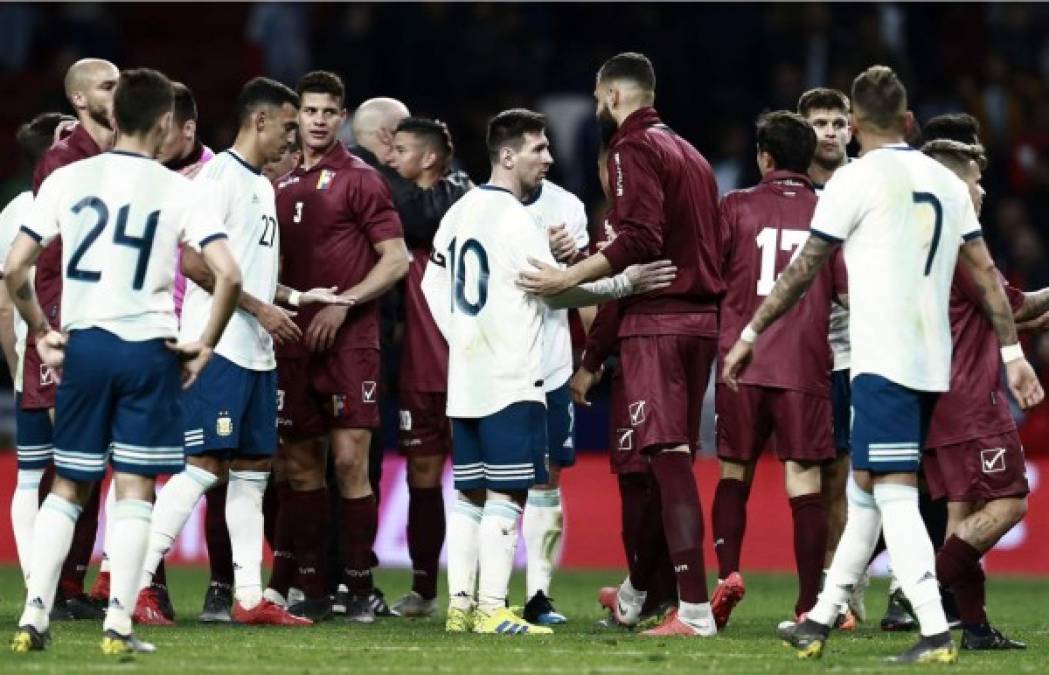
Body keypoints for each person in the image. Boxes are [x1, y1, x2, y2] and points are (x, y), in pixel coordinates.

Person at [724, 65, 1043, 664]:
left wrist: (751, 330)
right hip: (936, 364)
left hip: (882, 360)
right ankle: (819, 616)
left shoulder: (854, 181)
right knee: (868, 492)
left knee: (892, 494)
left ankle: (931, 626)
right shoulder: (943, 177)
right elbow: (986, 276)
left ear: (858, 123)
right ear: (904, 119)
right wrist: (1014, 354)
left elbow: (804, 269)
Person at [8, 67, 242, 655]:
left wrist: (40, 331)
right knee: (135, 486)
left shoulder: (69, 177)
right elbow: (230, 275)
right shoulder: (180, 189)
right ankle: (118, 624)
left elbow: (14, 268)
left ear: (114, 116)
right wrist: (205, 343)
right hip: (149, 350)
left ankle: (33, 615)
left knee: (68, 484)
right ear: (164, 122)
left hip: (84, 345)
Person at [423, 108, 672, 636]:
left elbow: (430, 286)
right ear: (508, 155)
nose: (550, 158)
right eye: (539, 149)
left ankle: (460, 606)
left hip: (467, 377)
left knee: (468, 493)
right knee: (509, 493)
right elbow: (558, 286)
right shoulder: (516, 218)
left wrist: (465, 339)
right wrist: (626, 283)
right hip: (514, 375)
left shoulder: (459, 211)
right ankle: (493, 609)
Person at [518, 52, 724, 637]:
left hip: (658, 325)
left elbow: (639, 238)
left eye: (596, 98)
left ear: (611, 96)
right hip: (697, 325)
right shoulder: (692, 154)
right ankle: (644, 592)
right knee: (663, 462)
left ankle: (692, 609)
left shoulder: (633, 149)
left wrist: (568, 278)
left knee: (666, 461)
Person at [134, 77, 343, 628]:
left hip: (257, 353)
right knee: (203, 467)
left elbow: (248, 268)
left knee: (253, 471)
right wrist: (261, 311)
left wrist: (295, 297)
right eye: (288, 126)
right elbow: (195, 264)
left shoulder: (262, 186)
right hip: (219, 342)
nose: (293, 138)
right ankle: (134, 583)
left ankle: (249, 597)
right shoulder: (219, 179)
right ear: (259, 121)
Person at [274, 70, 409, 623]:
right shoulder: (275, 184)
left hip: (352, 341)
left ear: (343, 117)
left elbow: (396, 259)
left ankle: (358, 586)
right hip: (291, 339)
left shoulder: (361, 179)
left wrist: (344, 303)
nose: (319, 121)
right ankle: (310, 587)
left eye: (330, 111)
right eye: (310, 111)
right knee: (301, 468)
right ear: (297, 116)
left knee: (350, 462)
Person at [709, 111, 844, 630]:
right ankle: (809, 602)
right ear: (807, 157)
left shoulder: (735, 206)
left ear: (763, 157)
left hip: (741, 363)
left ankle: (727, 574)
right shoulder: (830, 211)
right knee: (804, 480)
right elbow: (848, 291)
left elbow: (711, 276)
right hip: (805, 365)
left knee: (733, 471)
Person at [922, 138, 1043, 651]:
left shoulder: (923, 239)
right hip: (973, 400)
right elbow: (1013, 308)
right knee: (1011, 502)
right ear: (953, 185)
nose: (982, 188)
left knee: (961, 513)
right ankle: (925, 587)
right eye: (974, 178)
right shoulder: (961, 243)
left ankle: (971, 627)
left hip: (936, 402)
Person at [28, 57, 120, 623]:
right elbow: (47, 254)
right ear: (81, 101)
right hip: (67, 318)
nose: (120, 91)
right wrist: (49, 329)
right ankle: (50, 584)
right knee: (73, 459)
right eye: (109, 85)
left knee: (94, 458)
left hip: (106, 320)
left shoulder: (121, 158)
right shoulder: (63, 162)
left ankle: (68, 583)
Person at [386, 117, 471, 618]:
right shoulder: (408, 206)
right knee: (422, 473)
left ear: (431, 158)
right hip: (419, 364)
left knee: (477, 480)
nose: (390, 158)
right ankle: (423, 588)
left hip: (468, 364)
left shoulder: (468, 200)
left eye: (400, 150)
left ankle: (477, 587)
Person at [1, 112, 74, 586]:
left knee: (66, 470)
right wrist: (15, 366)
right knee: (40, 471)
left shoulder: (75, 201)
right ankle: (38, 581)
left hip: (76, 345)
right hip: (43, 349)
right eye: (68, 134)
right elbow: (6, 301)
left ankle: (58, 581)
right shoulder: (23, 212)